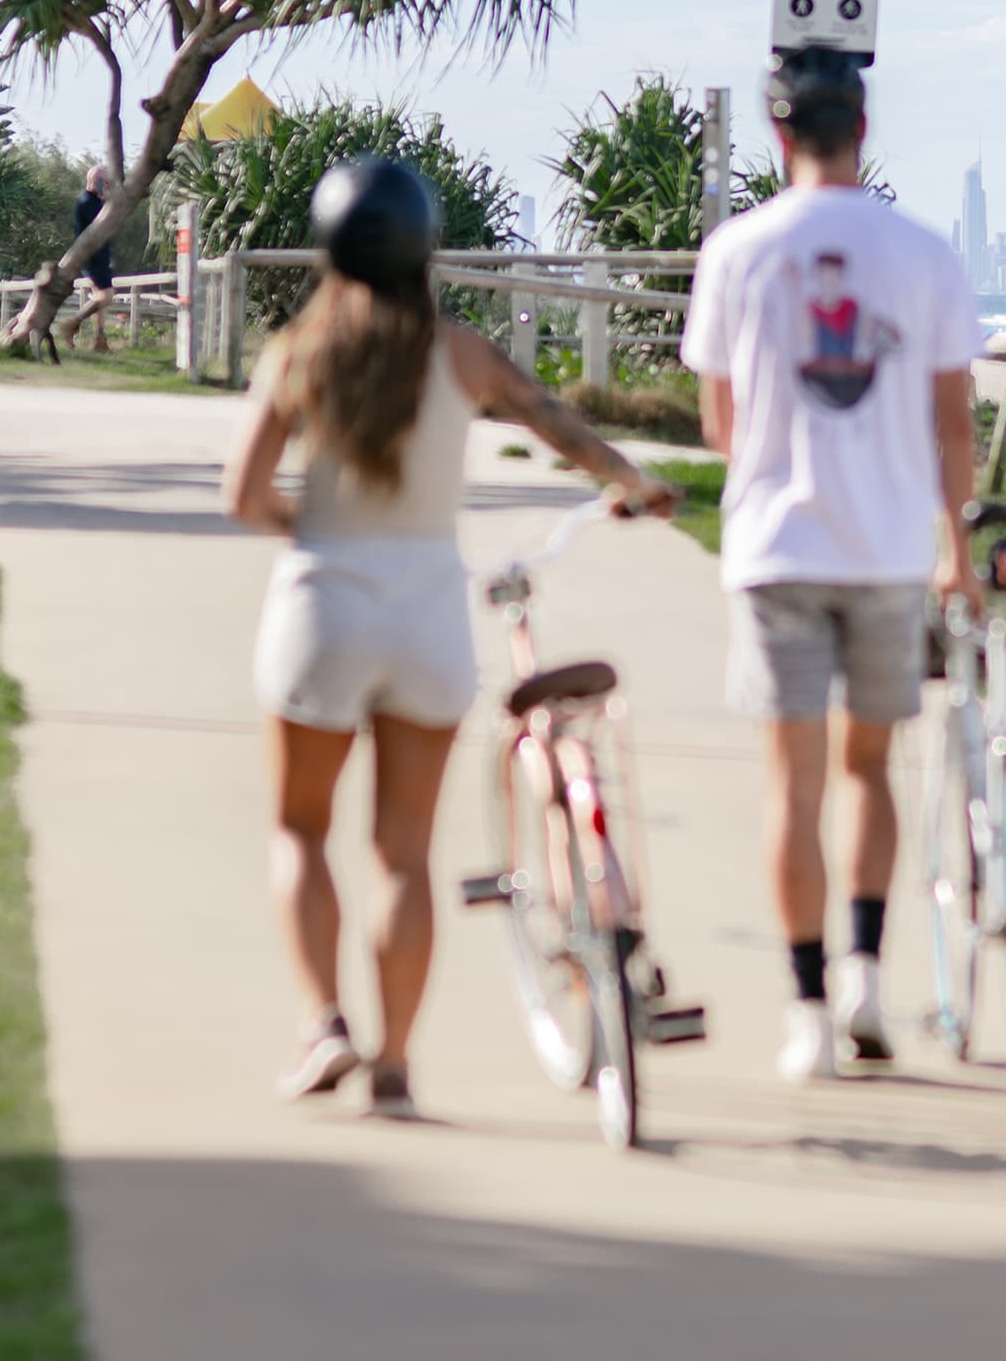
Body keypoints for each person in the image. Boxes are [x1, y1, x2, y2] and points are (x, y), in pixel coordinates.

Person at [222, 155, 674, 1118]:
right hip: (426, 616)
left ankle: (324, 1027)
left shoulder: (297, 350)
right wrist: (628, 480)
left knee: (300, 829)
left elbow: (243, 494)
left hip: (321, 613)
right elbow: (553, 420)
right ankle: (393, 1066)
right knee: (402, 853)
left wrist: (313, 526)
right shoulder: (459, 352)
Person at [682, 50, 982, 1082]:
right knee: (869, 769)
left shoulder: (737, 251)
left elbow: (720, 420)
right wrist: (956, 547)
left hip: (775, 550)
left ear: (778, 136)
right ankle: (862, 971)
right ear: (862, 124)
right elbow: (952, 423)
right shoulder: (922, 252)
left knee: (793, 784)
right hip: (892, 549)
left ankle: (806, 1008)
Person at [64, 165, 121, 349]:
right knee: (106, 296)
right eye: (104, 182)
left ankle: (99, 339)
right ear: (95, 181)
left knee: (99, 298)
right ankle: (72, 323)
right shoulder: (87, 202)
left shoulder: (95, 202)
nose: (106, 185)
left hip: (99, 255)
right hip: (93, 256)